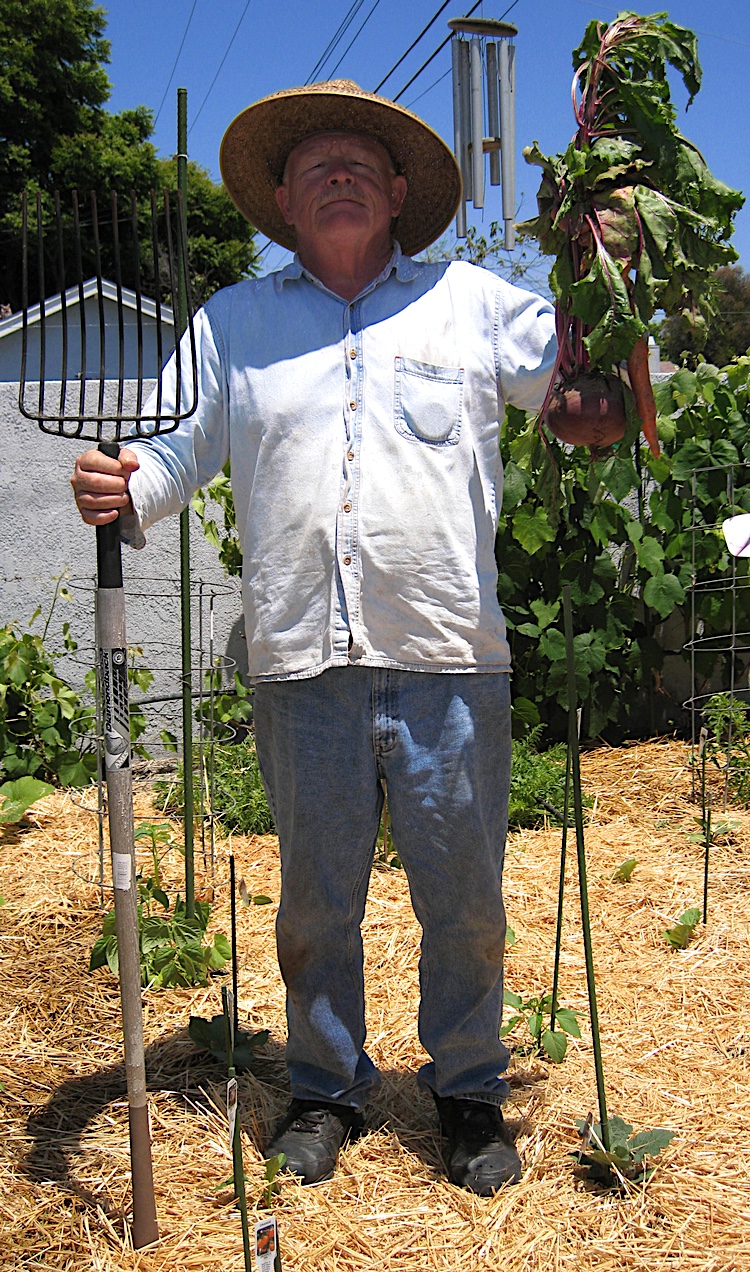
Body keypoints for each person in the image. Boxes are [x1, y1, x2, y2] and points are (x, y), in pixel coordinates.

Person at [71, 79, 556, 1195]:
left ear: (397, 192)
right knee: (315, 901)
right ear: (284, 202)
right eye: (314, 164)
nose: (338, 172)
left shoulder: (474, 304)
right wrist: (125, 478)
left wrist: (607, 311)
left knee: (467, 899)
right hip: (301, 663)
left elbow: (578, 389)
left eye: (360, 160)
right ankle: (327, 1087)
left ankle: (470, 1092)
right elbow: (173, 447)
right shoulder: (232, 324)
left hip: (448, 659)